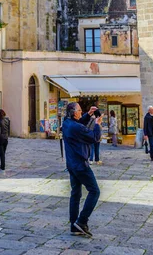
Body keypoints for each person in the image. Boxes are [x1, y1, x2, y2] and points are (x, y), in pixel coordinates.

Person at [62, 102, 102, 238]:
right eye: (79, 110)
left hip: (71, 164)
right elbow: (95, 137)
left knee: (76, 194)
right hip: (80, 165)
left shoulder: (67, 123)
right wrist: (97, 123)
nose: (80, 112)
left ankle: (74, 225)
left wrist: (88, 114)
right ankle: (82, 221)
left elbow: (79, 124)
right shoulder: (76, 127)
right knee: (94, 191)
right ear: (74, 112)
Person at [0, 109, 9, 174]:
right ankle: (1, 168)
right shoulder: (6, 120)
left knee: (1, 155)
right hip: (6, 139)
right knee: (3, 155)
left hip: (0, 140)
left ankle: (2, 169)